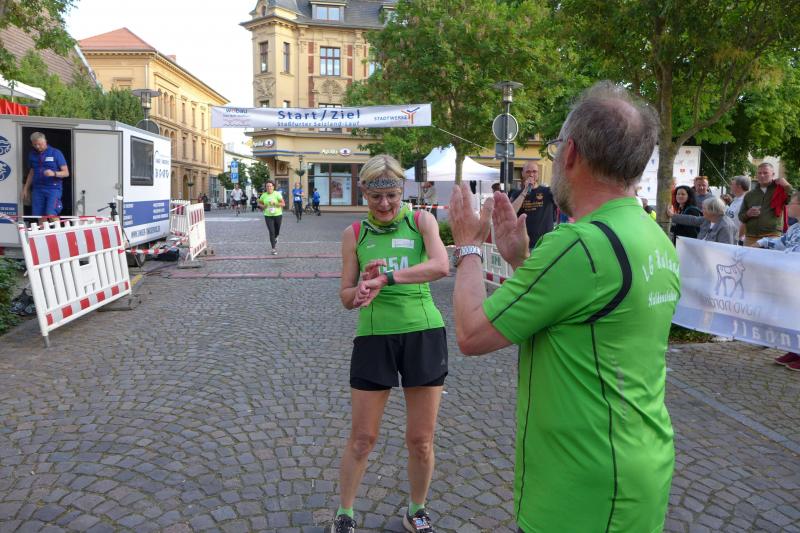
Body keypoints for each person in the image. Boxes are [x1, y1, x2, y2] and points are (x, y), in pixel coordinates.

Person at [448, 81, 678, 533]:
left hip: (582, 489)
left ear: (570, 153)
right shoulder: (653, 236)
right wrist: (522, 262)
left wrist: (469, 246)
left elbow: (471, 334)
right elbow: (588, 315)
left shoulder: (579, 244)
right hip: (637, 466)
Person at [330, 154, 449, 533]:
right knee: (362, 439)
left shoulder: (421, 221)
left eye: (392, 196)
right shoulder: (354, 234)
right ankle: (345, 513)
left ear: (402, 191)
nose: (384, 205)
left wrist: (388, 279)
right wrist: (360, 291)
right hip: (374, 338)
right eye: (376, 197)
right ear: (363, 192)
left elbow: (441, 265)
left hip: (423, 332)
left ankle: (417, 510)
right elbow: (346, 296)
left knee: (421, 440)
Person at [759, 191, 800, 370]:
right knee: (793, 315)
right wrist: (763, 243)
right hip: (791, 279)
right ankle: (795, 349)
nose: (788, 206)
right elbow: (782, 243)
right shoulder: (794, 227)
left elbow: (794, 252)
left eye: (792, 203)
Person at [739, 162, 794, 247]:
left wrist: (787, 186)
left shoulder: (780, 190)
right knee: (747, 256)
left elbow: (794, 200)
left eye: (765, 173)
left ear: (773, 174)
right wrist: (747, 214)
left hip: (772, 236)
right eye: (759, 173)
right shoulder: (749, 194)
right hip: (750, 237)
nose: (762, 175)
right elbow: (741, 216)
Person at [22, 132, 70, 224]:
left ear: (45, 141)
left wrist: (54, 173)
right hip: (38, 189)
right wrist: (25, 188)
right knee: (40, 216)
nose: (37, 146)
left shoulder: (56, 153)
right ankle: (42, 233)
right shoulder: (32, 155)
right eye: (35, 144)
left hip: (53, 188)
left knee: (51, 213)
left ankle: (59, 232)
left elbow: (66, 173)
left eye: (40, 144)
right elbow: (31, 172)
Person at [509, 161, 556, 249]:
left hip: (546, 243)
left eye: (534, 171)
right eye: (528, 172)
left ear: (538, 174)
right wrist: (525, 191)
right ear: (523, 174)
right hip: (524, 244)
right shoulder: (516, 194)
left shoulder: (548, 191)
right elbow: (511, 213)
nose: (531, 174)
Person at [257, 181, 284, 255]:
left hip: (278, 215)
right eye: (267, 186)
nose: (269, 187)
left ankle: (276, 237)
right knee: (271, 231)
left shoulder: (277, 194)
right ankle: (273, 248)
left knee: (277, 231)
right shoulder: (263, 195)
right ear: (266, 187)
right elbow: (259, 203)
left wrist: (275, 203)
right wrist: (263, 206)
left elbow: (283, 204)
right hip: (268, 215)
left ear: (273, 187)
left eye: (270, 186)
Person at [725, 175, 750, 245]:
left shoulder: (745, 201)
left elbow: (745, 223)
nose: (730, 186)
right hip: (729, 237)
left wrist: (739, 239)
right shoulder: (736, 199)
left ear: (739, 187)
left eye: (732, 184)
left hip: (736, 241)